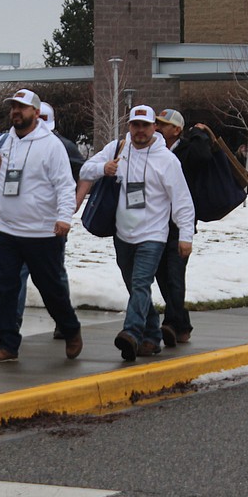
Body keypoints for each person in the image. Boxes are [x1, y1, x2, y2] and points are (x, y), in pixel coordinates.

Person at [81, 105, 195, 361]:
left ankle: (131, 333)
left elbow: (182, 200)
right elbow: (85, 169)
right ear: (129, 126)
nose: (140, 131)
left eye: (145, 125)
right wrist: (104, 169)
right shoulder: (117, 149)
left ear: (155, 128)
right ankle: (152, 336)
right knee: (136, 288)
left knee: (141, 283)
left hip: (153, 235)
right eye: (135, 125)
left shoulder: (167, 160)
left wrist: (186, 236)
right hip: (123, 234)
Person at [0, 88, 82, 364]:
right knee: (4, 288)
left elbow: (65, 185)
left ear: (36, 113)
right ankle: (8, 344)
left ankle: (71, 329)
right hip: (9, 230)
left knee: (51, 289)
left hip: (42, 232)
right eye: (13, 107)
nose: (16, 112)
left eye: (22, 108)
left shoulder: (51, 145)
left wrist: (64, 218)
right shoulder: (4, 142)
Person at [152, 108, 214, 347]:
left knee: (175, 275)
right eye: (156, 123)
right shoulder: (154, 152)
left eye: (163, 125)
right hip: (156, 223)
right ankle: (182, 325)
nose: (158, 128)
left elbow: (203, 157)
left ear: (177, 130)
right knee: (161, 275)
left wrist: (198, 134)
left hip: (180, 223)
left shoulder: (188, 150)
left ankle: (170, 324)